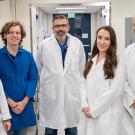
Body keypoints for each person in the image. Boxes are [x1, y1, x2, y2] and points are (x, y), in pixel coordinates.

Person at [36, 14, 86, 135]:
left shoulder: (77, 44)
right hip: (51, 95)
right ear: (52, 28)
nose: (60, 28)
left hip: (71, 95)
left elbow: (81, 67)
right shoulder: (44, 45)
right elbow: (38, 67)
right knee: (50, 130)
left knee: (71, 129)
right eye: (57, 26)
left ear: (68, 27)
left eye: (63, 25)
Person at [79, 26, 124, 135]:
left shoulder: (116, 63)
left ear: (112, 41)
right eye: (99, 37)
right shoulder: (91, 60)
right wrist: (84, 105)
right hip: (88, 112)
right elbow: (82, 84)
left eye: (107, 39)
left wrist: (93, 110)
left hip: (106, 115)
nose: (102, 42)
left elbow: (113, 92)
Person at [0, 21, 38, 135]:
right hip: (5, 107)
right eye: (11, 32)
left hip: (24, 107)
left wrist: (24, 102)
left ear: (21, 36)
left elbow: (33, 78)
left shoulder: (28, 56)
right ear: (5, 35)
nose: (14, 35)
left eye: (18, 32)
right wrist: (10, 102)